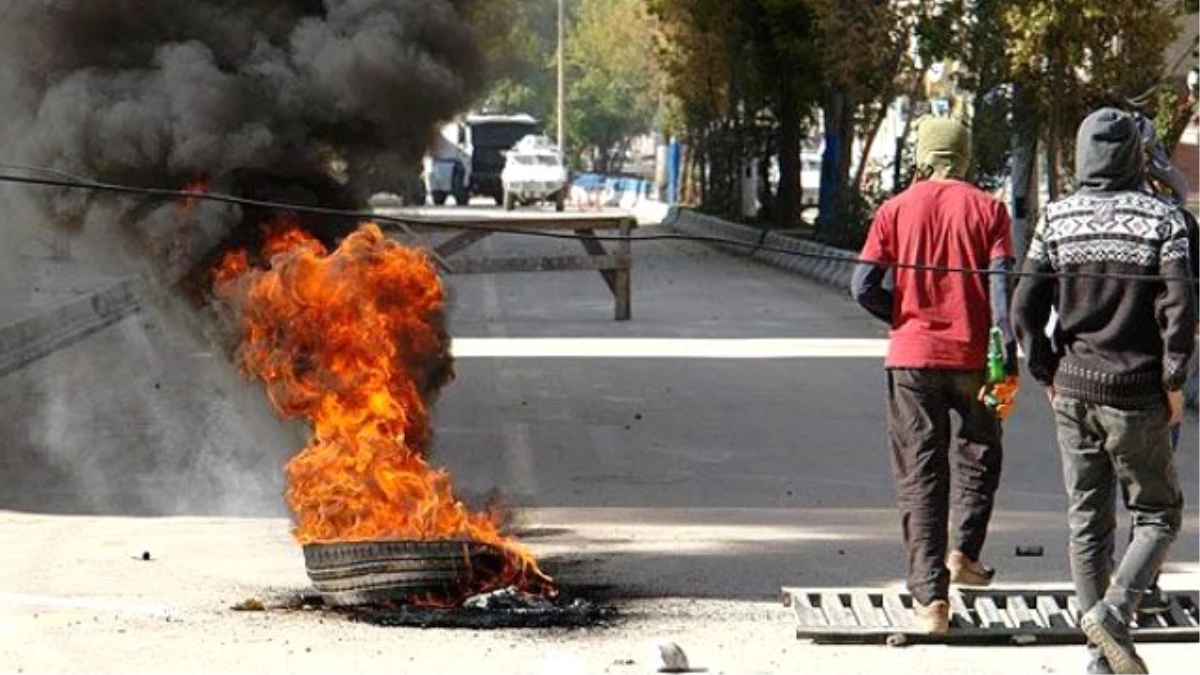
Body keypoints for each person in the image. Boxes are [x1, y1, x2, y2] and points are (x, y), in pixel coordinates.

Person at [1013, 108, 1194, 675]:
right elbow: (1180, 307)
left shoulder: (1056, 218)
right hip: (1137, 392)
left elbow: (1024, 306)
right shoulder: (1163, 219)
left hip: (1072, 390)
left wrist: (1044, 369)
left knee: (1087, 519)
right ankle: (1114, 616)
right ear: (1136, 155)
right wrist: (1174, 380)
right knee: (1158, 514)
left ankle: (1098, 657)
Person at [851, 117, 1018, 633]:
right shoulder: (990, 210)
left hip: (912, 360)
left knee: (921, 473)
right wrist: (1006, 354)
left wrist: (902, 317)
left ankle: (931, 603)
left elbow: (862, 285)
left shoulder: (894, 209)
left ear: (924, 153)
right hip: (972, 358)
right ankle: (964, 553)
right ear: (964, 154)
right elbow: (1000, 289)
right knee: (980, 454)